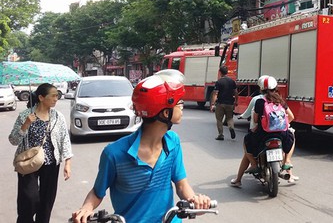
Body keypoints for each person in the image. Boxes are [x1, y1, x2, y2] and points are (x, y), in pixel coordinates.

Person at [71, 70, 211, 223]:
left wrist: (194, 200)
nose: (182, 107)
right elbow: (97, 193)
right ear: (165, 113)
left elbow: (181, 184)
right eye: (179, 103)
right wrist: (86, 208)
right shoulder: (114, 154)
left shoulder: (173, 142)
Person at [9, 83, 73, 223]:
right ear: (41, 97)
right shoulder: (26, 115)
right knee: (29, 199)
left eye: (58, 95)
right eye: (53, 96)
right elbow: (13, 140)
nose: (56, 98)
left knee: (47, 200)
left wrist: (67, 162)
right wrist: (26, 124)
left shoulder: (57, 117)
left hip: (51, 163)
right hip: (29, 162)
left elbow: (64, 139)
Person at [230, 75, 298, 187]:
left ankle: (253, 164)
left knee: (246, 142)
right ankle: (287, 161)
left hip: (264, 135)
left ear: (261, 88)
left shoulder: (259, 101)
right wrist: (284, 125)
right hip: (281, 134)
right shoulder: (280, 100)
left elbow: (256, 119)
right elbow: (291, 116)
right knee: (292, 136)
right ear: (275, 88)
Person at [210, 66, 238, 140]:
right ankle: (231, 127)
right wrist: (236, 101)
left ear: (220, 72)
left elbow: (216, 93)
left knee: (219, 119)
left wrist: (213, 104)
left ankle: (221, 135)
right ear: (227, 72)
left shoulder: (219, 82)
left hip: (220, 103)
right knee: (230, 118)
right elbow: (235, 92)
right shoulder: (232, 81)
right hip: (230, 103)